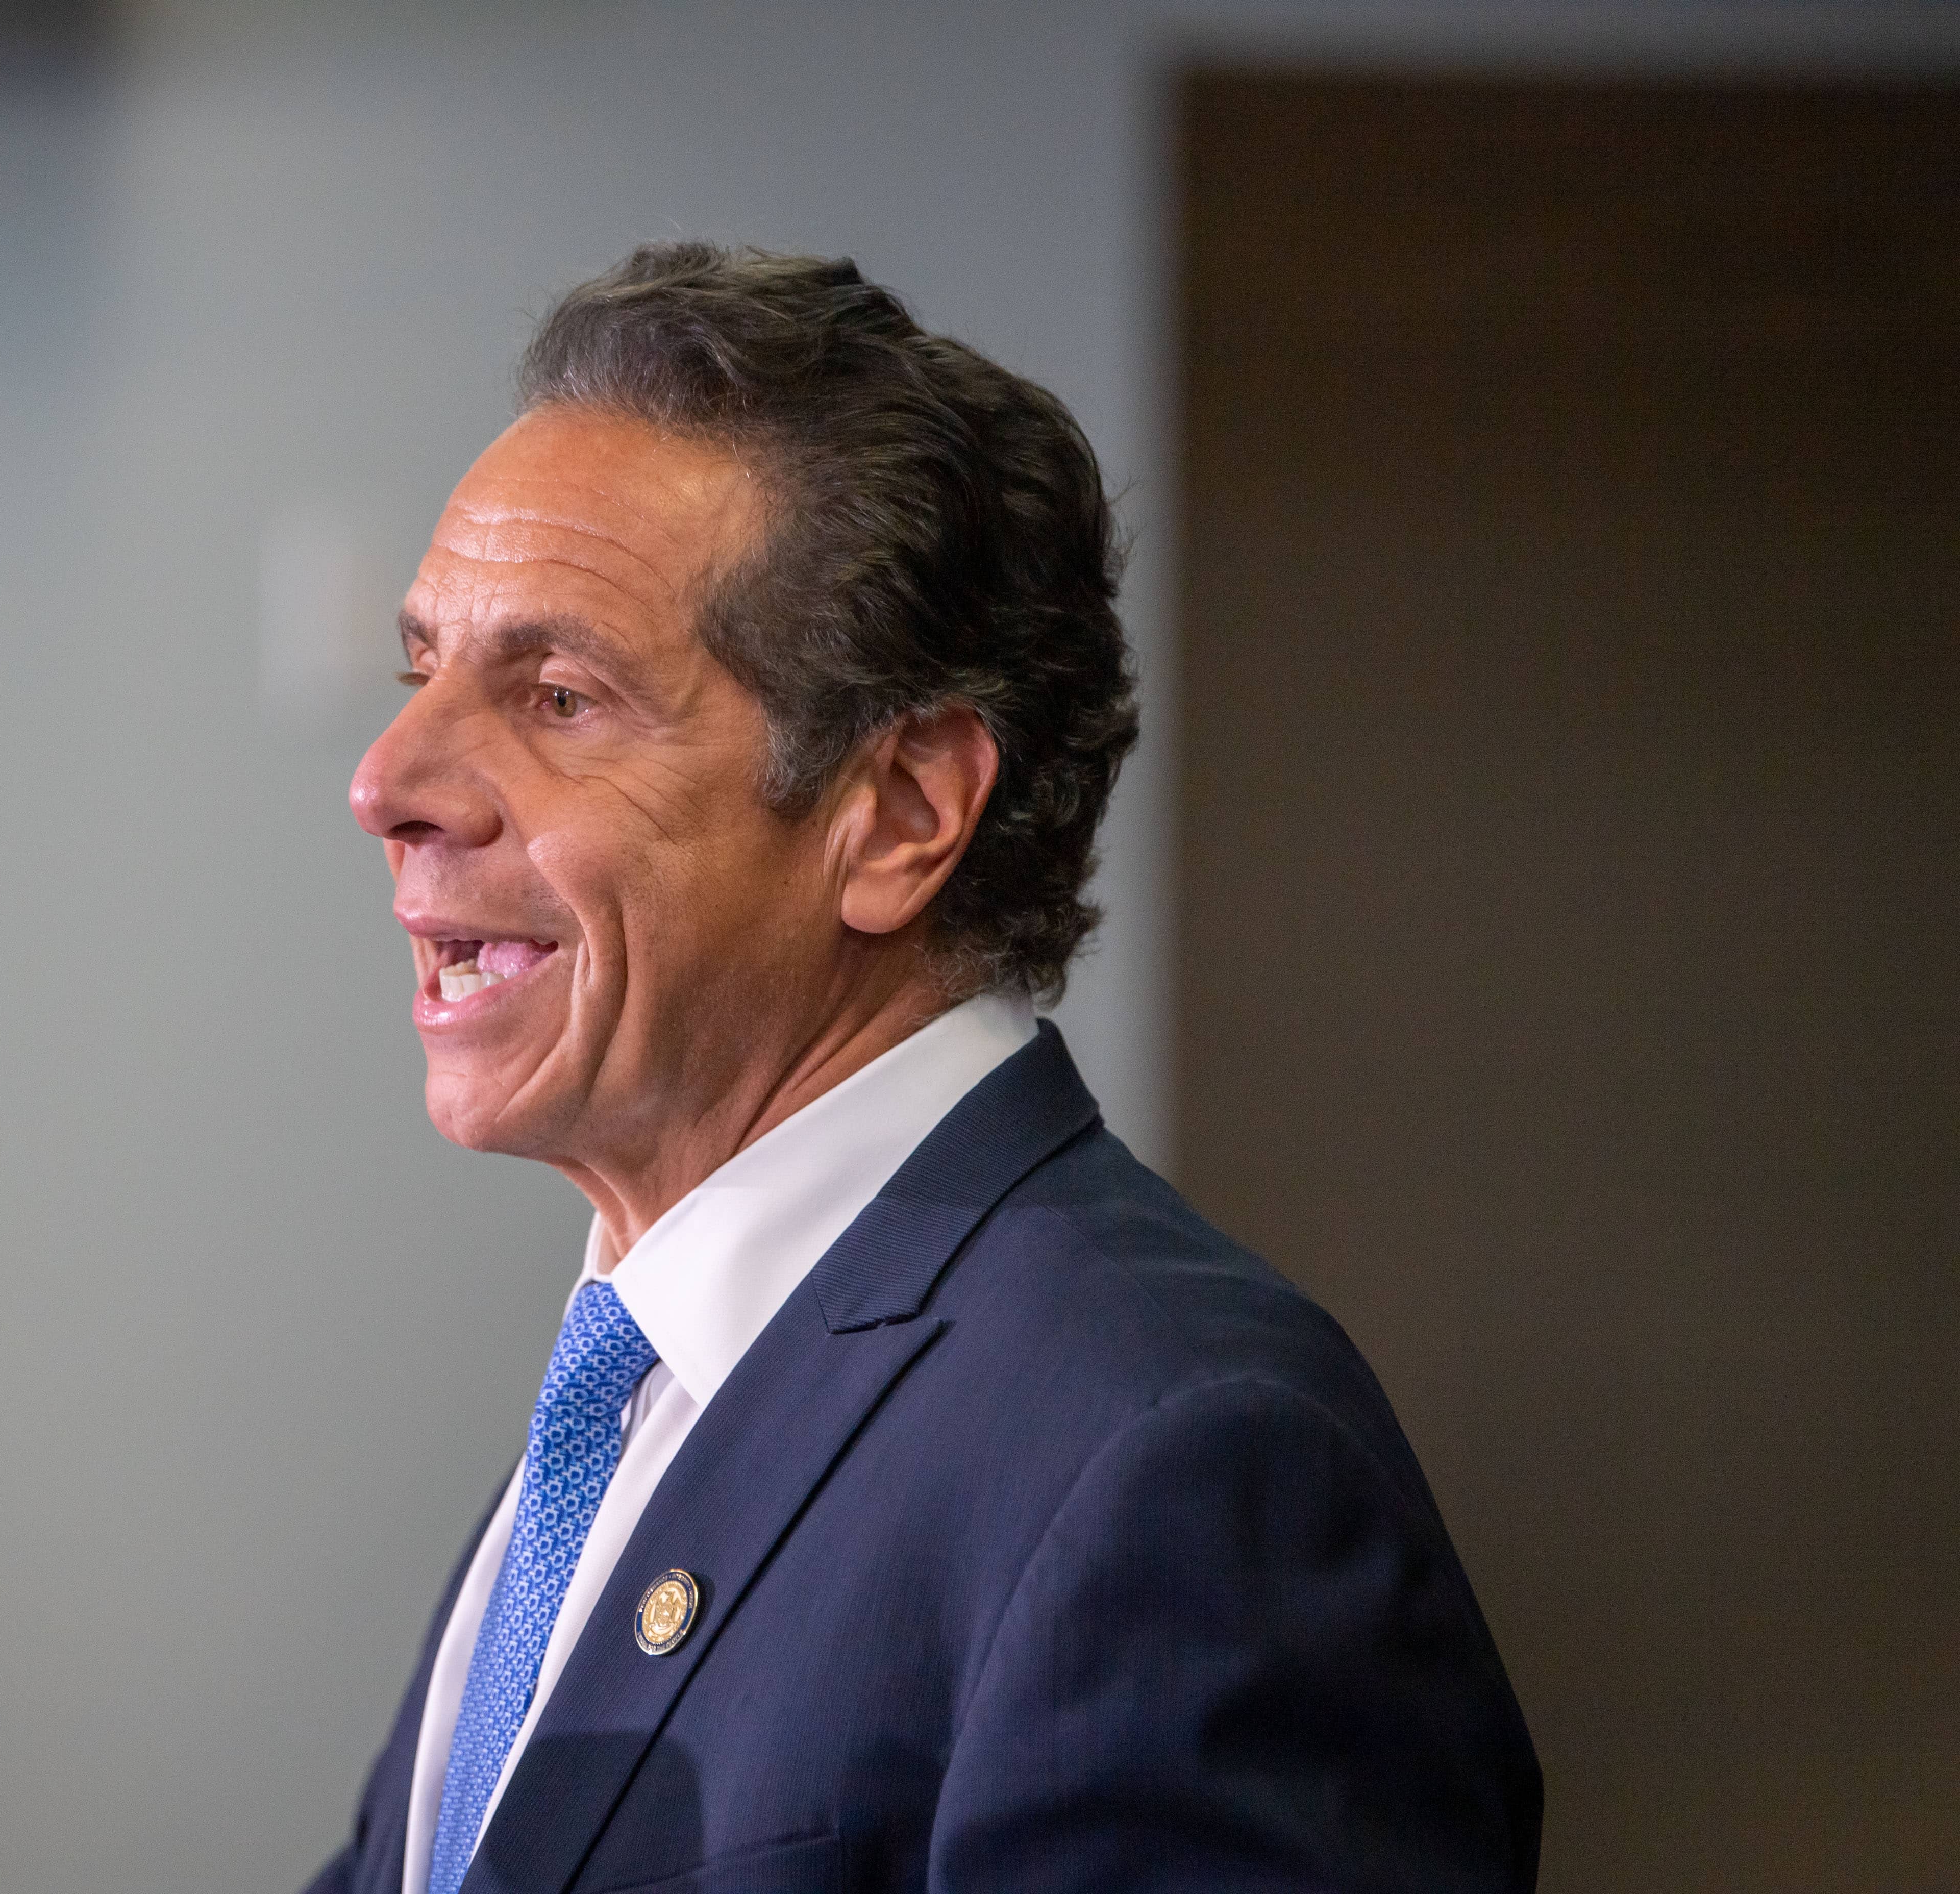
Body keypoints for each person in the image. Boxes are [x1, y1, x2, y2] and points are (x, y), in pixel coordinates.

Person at [311, 243, 1541, 1894]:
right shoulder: (636, 1389)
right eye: (420, 674)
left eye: (558, 694)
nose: (390, 780)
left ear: (896, 815)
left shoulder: (1182, 1465)